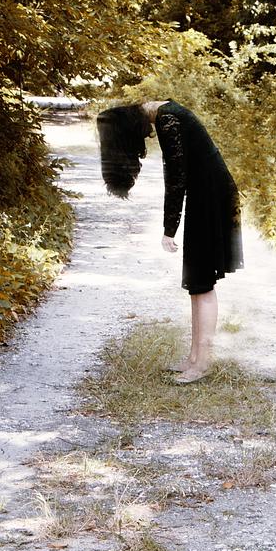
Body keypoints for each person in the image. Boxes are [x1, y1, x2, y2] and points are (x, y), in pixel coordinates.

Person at [96, 99, 243, 383]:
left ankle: (202, 364)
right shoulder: (166, 113)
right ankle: (194, 358)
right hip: (208, 194)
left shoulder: (168, 120)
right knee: (197, 282)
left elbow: (176, 178)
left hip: (211, 197)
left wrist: (169, 228)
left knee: (203, 281)